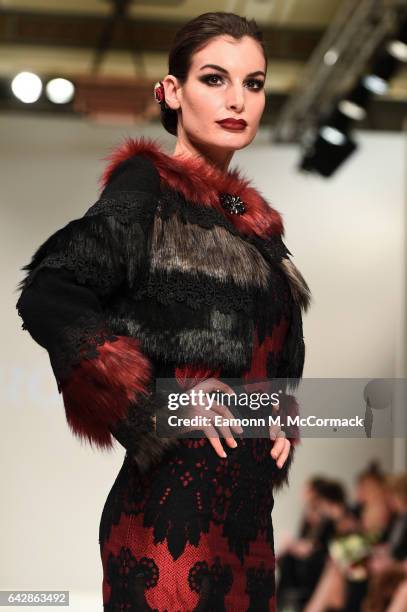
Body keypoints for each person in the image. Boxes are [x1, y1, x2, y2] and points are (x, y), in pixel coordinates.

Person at [15, 11, 311, 611]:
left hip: (249, 529)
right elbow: (49, 292)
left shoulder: (256, 227)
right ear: (172, 92)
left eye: (253, 84)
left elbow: (263, 359)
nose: (237, 99)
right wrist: (154, 404)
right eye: (214, 79)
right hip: (171, 522)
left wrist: (276, 413)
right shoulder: (146, 188)